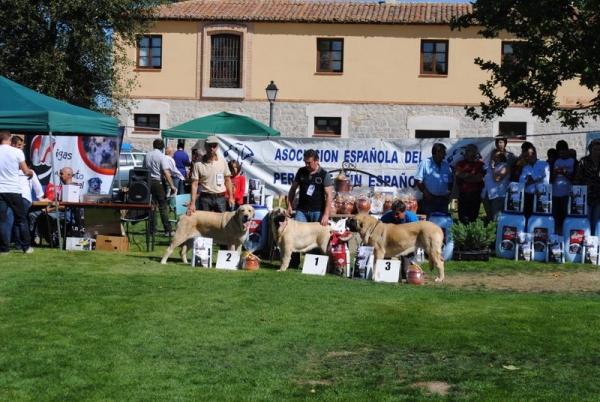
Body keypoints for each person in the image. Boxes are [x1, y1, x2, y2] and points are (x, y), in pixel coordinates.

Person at [286, 149, 334, 268]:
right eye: (305, 162)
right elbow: (293, 189)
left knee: (317, 240)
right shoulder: (301, 172)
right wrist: (289, 205)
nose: (307, 165)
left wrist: (326, 214)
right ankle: (293, 263)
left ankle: (316, 266)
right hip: (301, 211)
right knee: (294, 235)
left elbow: (329, 195)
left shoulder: (324, 174)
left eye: (309, 163)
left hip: (318, 211)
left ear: (317, 161)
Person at [0, 131, 34, 254]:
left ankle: (4, 249)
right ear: (9, 139)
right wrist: (31, 173)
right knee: (21, 220)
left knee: (2, 220)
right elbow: (25, 171)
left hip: (0, 190)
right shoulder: (17, 152)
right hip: (13, 190)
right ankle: (26, 247)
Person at [187, 136, 235, 214]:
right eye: (209, 145)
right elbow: (195, 184)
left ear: (217, 147)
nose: (211, 148)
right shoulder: (198, 163)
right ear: (205, 146)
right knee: (205, 224)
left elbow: (227, 180)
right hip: (205, 198)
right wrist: (192, 203)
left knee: (221, 224)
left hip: (220, 197)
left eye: (214, 146)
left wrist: (231, 197)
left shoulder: (222, 161)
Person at [379, 199, 420, 280]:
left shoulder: (412, 219)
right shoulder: (386, 217)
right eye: (393, 213)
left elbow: (417, 236)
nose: (395, 216)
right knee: (389, 273)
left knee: (405, 273)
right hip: (390, 245)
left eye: (397, 214)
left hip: (407, 245)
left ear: (404, 211)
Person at [144, 139, 176, 236]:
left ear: (154, 145)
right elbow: (166, 172)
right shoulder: (162, 156)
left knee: (152, 206)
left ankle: (152, 230)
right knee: (163, 206)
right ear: (162, 147)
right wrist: (172, 185)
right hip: (158, 182)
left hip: (149, 182)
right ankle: (167, 229)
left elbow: (144, 169)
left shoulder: (147, 155)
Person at [415, 143, 453, 218]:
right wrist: (426, 193)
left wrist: (449, 192)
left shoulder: (446, 165)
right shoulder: (425, 163)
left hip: (444, 200)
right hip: (430, 199)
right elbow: (418, 180)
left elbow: (450, 181)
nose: (445, 155)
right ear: (437, 152)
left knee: (443, 221)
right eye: (443, 152)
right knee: (430, 221)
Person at [454, 143, 486, 224]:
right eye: (466, 151)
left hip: (475, 195)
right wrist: (471, 175)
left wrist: (465, 177)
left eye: (468, 151)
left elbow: (479, 179)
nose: (466, 152)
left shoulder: (481, 164)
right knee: (462, 218)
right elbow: (457, 174)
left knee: (473, 218)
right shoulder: (460, 163)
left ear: (475, 153)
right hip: (463, 194)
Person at [575, 139, 600, 234]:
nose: (598, 152)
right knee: (586, 220)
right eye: (595, 149)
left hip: (598, 197)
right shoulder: (583, 161)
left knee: (596, 220)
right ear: (590, 150)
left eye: (599, 149)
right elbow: (577, 179)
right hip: (586, 196)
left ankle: (594, 241)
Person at [551, 140, 576, 233]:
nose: (562, 154)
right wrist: (556, 173)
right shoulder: (555, 161)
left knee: (567, 216)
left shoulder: (573, 161)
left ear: (567, 150)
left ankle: (567, 233)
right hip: (555, 194)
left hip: (568, 193)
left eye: (563, 152)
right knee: (556, 218)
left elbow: (575, 178)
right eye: (560, 152)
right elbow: (551, 179)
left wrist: (564, 173)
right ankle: (557, 235)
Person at [519, 144, 549, 219]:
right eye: (525, 156)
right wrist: (534, 180)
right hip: (528, 196)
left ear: (534, 154)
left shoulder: (544, 164)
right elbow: (521, 182)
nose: (526, 158)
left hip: (541, 195)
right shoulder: (525, 168)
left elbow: (541, 176)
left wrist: (530, 179)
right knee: (527, 216)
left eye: (528, 155)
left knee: (539, 217)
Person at [481, 149, 510, 222]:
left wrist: (493, 168)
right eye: (492, 156)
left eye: (496, 157)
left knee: (496, 218)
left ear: (501, 157)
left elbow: (497, 179)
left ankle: (497, 232)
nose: (493, 158)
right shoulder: (489, 166)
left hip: (498, 195)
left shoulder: (504, 166)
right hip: (487, 194)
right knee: (489, 217)